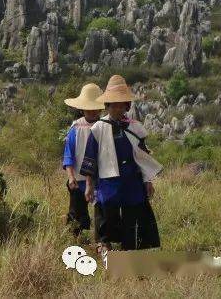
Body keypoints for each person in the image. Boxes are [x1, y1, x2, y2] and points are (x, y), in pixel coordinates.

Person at [80, 74, 163, 255]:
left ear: (127, 105)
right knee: (106, 215)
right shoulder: (98, 129)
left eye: (121, 104)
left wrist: (148, 181)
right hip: (109, 182)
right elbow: (90, 159)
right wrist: (88, 185)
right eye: (113, 104)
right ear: (107, 106)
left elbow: (144, 158)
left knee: (133, 216)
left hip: (132, 181)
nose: (118, 108)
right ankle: (105, 247)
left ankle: (130, 250)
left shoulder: (135, 128)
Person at [61, 83, 105, 237]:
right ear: (83, 108)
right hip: (78, 180)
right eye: (89, 108)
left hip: (101, 179)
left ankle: (102, 242)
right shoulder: (76, 128)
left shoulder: (105, 126)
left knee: (103, 212)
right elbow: (68, 154)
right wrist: (71, 177)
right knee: (76, 212)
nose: (92, 111)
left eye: (95, 108)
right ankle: (75, 240)